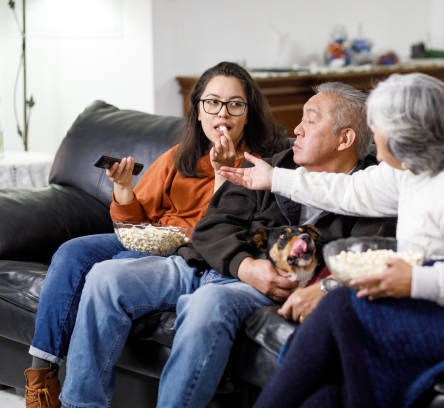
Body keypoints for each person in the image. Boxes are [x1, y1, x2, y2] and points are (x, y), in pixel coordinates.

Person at [219, 73, 444, 408]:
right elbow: (350, 190)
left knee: (341, 307)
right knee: (325, 394)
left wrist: (414, 279)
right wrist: (274, 177)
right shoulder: (412, 172)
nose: (371, 132)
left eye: (378, 125)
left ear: (405, 133)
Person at [57, 82, 396, 408]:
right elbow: (212, 225)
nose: (298, 128)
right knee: (105, 277)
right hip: (208, 264)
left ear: (345, 138)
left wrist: (266, 274)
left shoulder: (373, 197)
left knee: (207, 303)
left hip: (258, 284)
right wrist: (242, 264)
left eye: (310, 118)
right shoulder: (275, 166)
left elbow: (359, 259)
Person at [24, 61, 288, 408]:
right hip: (156, 238)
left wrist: (224, 171)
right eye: (212, 102)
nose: (222, 113)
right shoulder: (180, 157)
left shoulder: (263, 166)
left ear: (247, 113)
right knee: (73, 252)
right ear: (197, 111)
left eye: (234, 104)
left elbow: (221, 233)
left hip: (193, 251)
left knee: (111, 272)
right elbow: (135, 223)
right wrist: (122, 189)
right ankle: (42, 379)